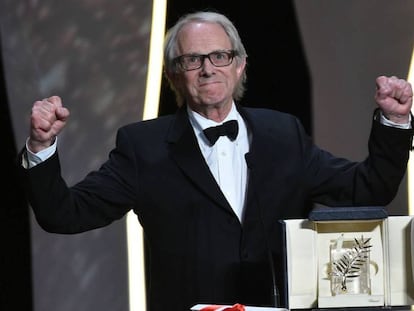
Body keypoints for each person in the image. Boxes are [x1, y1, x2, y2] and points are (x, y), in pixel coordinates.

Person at [18, 10, 413, 311]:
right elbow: (64, 214)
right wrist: (41, 146)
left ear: (239, 64)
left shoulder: (283, 135)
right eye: (192, 60)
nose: (208, 68)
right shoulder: (144, 147)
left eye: (219, 56)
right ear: (174, 75)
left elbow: (368, 189)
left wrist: (394, 122)